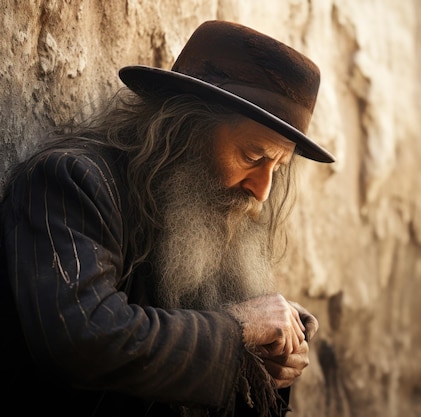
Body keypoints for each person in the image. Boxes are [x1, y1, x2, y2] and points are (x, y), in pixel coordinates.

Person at [0, 20, 335, 417]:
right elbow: (82, 338)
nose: (261, 191)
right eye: (252, 157)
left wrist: (268, 356)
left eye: (276, 167)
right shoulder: (72, 181)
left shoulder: (204, 220)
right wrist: (238, 330)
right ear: (185, 129)